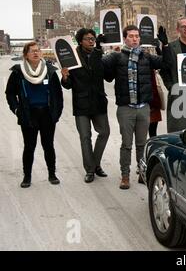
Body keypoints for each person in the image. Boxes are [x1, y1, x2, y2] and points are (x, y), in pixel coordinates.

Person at [102, 25, 168, 190]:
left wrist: (163, 47)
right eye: (131, 36)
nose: (134, 39)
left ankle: (142, 172)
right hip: (126, 108)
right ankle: (125, 176)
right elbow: (101, 68)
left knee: (141, 143)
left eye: (137, 36)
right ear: (125, 38)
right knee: (126, 144)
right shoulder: (117, 57)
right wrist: (99, 48)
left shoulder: (146, 57)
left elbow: (165, 63)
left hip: (143, 107)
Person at [5, 42, 63, 188]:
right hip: (28, 114)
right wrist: (16, 109)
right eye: (32, 51)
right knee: (29, 147)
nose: (36, 53)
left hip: (47, 114)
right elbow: (10, 93)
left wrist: (56, 113)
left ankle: (52, 174)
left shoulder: (49, 71)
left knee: (48, 145)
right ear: (26, 55)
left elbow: (58, 94)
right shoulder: (18, 72)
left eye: (38, 51)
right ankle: (27, 176)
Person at [61, 29, 110, 184]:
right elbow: (67, 85)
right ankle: (90, 170)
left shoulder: (98, 54)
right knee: (85, 137)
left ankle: (95, 164)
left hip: (99, 102)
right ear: (80, 41)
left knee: (105, 133)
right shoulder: (71, 57)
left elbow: (107, 76)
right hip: (81, 104)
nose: (91, 41)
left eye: (93, 38)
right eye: (88, 39)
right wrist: (65, 76)